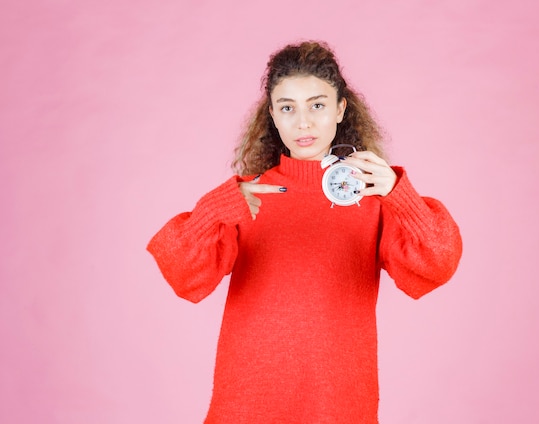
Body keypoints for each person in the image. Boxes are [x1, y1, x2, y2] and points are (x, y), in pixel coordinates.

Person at [147, 40, 462, 424]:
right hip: (248, 397)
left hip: (338, 400)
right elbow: (181, 275)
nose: (303, 123)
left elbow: (438, 263)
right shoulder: (248, 195)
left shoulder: (373, 195)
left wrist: (400, 195)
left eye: (317, 105)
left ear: (340, 108)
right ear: (273, 117)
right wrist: (215, 208)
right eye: (287, 108)